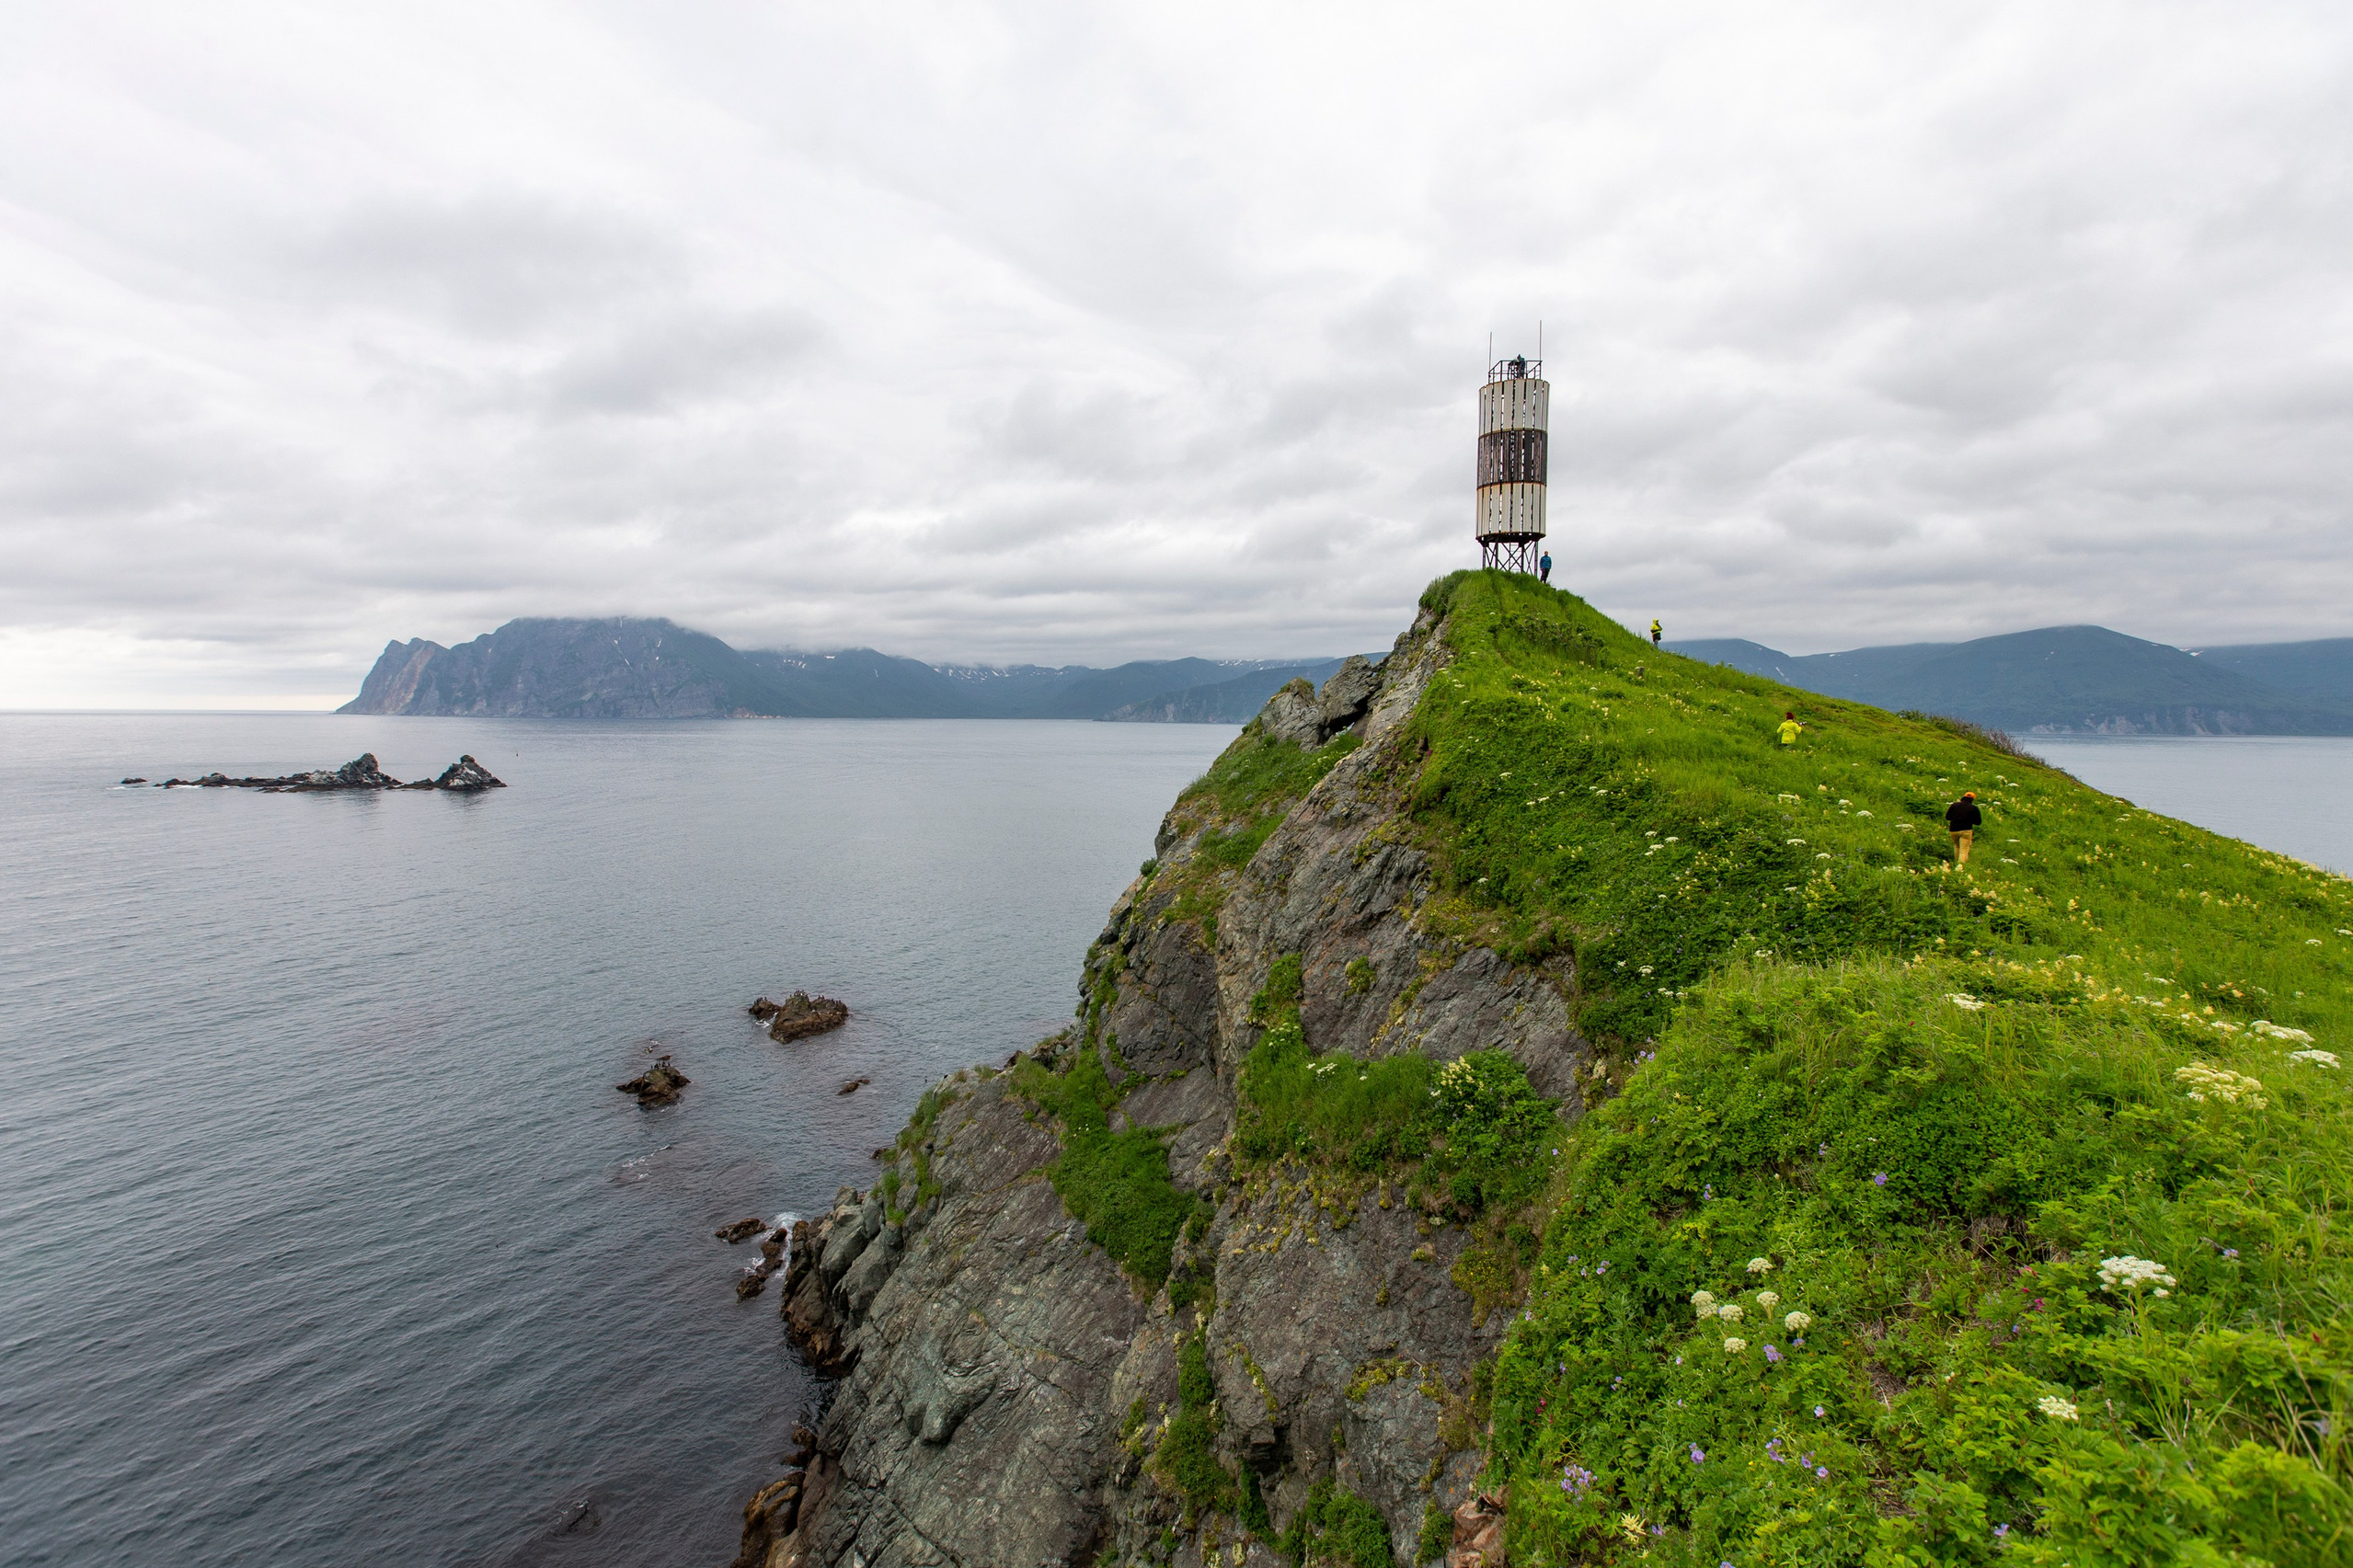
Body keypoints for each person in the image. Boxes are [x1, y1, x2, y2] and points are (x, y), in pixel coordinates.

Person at [1946, 790, 1982, 865]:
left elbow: (1947, 817)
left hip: (1953, 830)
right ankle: (1960, 867)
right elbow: (1978, 822)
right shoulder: (1974, 808)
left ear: (1963, 797)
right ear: (1973, 799)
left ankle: (1956, 864)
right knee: (1964, 850)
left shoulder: (1954, 805)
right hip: (1966, 830)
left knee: (1957, 847)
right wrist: (1970, 820)